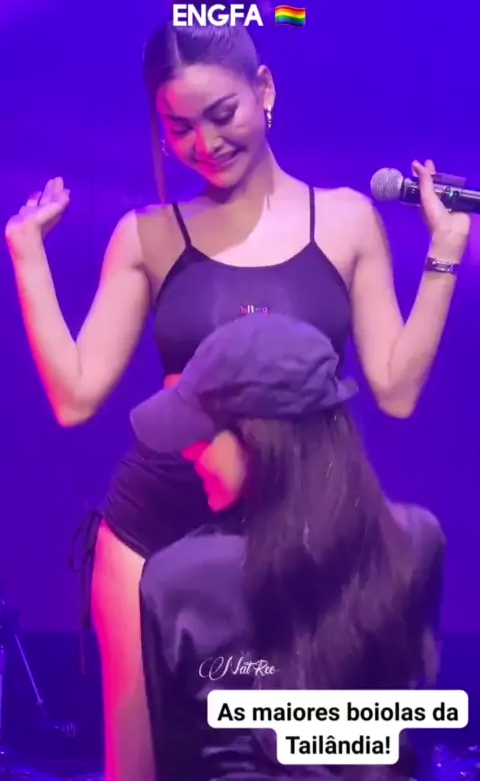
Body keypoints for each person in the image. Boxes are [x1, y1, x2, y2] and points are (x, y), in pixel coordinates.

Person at [4, 0, 466, 781]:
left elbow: (394, 389)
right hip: (155, 531)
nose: (204, 143)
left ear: (265, 90)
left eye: (221, 114)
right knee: (145, 767)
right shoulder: (148, 236)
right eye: (178, 127)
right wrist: (25, 255)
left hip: (303, 536)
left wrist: (445, 252)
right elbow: (75, 396)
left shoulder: (345, 220)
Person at [138, 311, 446, 781]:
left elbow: (171, 761)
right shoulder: (416, 542)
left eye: (203, 434)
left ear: (263, 438)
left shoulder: (180, 579)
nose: (188, 451)